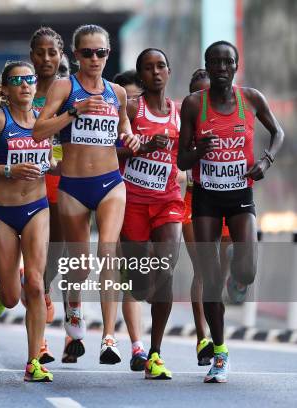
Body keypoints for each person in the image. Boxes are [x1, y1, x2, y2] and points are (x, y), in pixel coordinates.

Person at [178, 41, 284, 383]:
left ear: (236, 66)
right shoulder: (194, 105)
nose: (222, 67)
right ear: (207, 66)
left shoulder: (250, 99)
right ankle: (219, 353)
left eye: (228, 61)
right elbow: (181, 160)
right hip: (206, 198)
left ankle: (237, 277)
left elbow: (277, 132)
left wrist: (266, 161)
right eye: (215, 62)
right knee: (209, 280)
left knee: (248, 273)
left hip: (241, 195)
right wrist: (198, 150)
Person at [33, 24, 139, 365]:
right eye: (88, 53)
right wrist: (74, 111)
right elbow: (38, 131)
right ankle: (74, 305)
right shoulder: (66, 86)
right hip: (74, 187)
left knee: (109, 251)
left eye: (102, 52)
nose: (95, 59)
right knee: (78, 266)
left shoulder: (117, 92)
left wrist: (130, 138)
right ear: (76, 55)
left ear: (108, 54)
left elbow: (124, 128)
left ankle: (109, 337)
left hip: (110, 183)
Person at [0, 60, 54, 382]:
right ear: (5, 89)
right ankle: (4, 290)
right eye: (17, 81)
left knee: (35, 283)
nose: (26, 85)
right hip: (4, 213)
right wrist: (8, 170)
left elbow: (55, 156)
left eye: (30, 79)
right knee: (12, 297)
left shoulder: (45, 120)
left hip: (37, 208)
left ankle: (33, 360)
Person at [116, 48, 183, 379]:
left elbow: (185, 157)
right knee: (141, 286)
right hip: (132, 202)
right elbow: (109, 149)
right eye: (148, 68)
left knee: (167, 269)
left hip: (168, 199)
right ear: (140, 75)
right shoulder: (130, 107)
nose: (155, 72)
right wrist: (140, 146)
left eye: (161, 66)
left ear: (169, 72)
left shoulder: (180, 112)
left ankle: (155, 354)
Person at [29, 26, 64, 365]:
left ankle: (41, 287)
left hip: (62, 187)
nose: (46, 59)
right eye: (40, 52)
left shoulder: (69, 91)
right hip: (27, 189)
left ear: (61, 55)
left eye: (52, 52)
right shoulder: (21, 91)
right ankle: (39, 345)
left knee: (52, 264)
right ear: (31, 57)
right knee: (36, 270)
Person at [112, 69, 146, 371]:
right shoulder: (110, 127)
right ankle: (138, 346)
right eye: (124, 99)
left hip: (155, 208)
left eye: (135, 98)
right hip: (120, 207)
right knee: (129, 280)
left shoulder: (158, 121)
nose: (130, 104)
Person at [182, 69, 215, 366]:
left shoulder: (232, 117)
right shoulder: (185, 120)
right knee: (203, 269)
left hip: (228, 198)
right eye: (200, 94)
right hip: (193, 198)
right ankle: (204, 337)